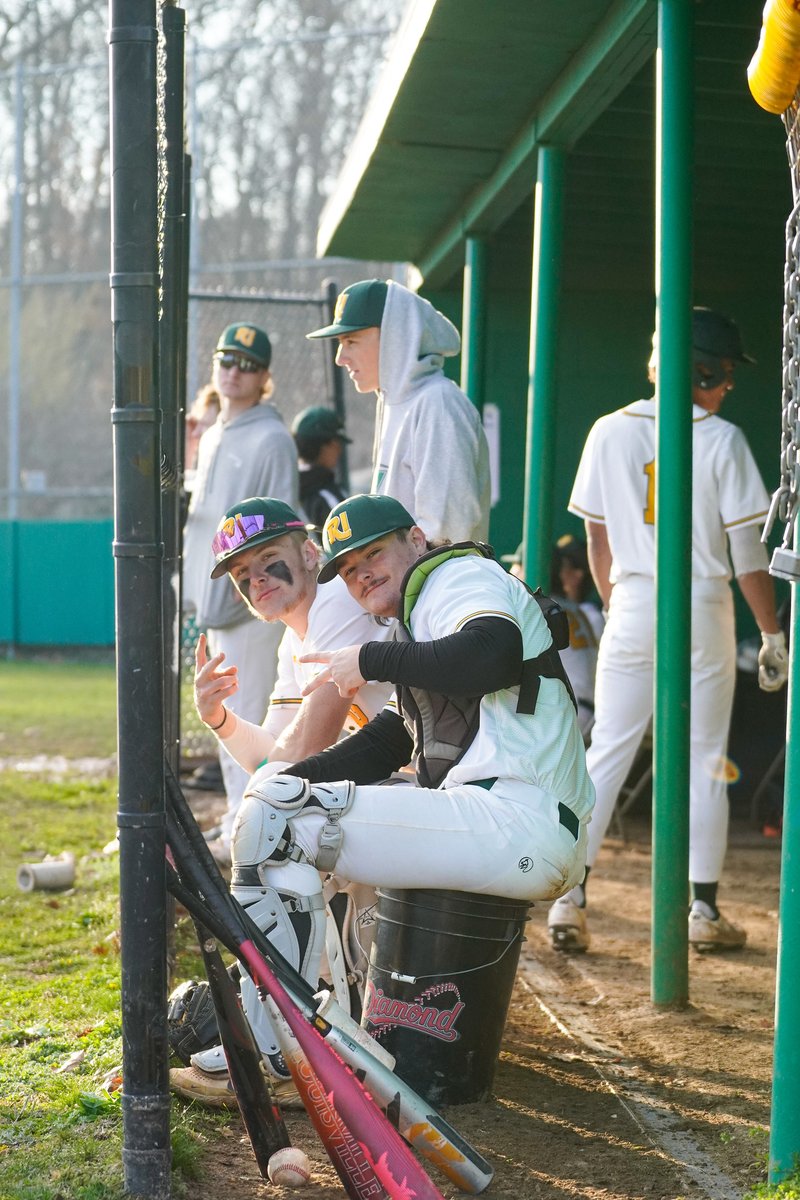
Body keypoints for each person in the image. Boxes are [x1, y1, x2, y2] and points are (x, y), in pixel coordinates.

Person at [218, 493, 593, 1102]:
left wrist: (367, 658)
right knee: (277, 807)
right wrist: (284, 783)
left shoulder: (454, 575)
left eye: (374, 553)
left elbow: (490, 652)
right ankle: (307, 1033)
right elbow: (385, 742)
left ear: (416, 541)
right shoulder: (420, 617)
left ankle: (287, 1046)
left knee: (279, 820)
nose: (361, 572)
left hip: (515, 818)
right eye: (347, 567)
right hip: (504, 821)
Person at [547, 306, 789, 956]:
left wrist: (622, 602)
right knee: (707, 755)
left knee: (607, 752)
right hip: (703, 604)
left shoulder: (607, 430)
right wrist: (771, 632)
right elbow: (748, 557)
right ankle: (702, 909)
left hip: (631, 599)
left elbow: (597, 543)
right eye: (725, 372)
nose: (728, 384)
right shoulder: (723, 438)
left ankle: (568, 899)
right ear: (701, 367)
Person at [170, 495, 396, 1108]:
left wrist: (259, 799)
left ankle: (274, 1051)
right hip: (381, 787)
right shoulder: (292, 641)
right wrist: (218, 719)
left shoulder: (336, 606)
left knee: (271, 845)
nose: (257, 581)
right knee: (276, 831)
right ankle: (304, 1038)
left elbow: (307, 741)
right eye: (243, 577)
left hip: (418, 782)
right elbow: (276, 750)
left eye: (269, 562)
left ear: (309, 552)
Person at [182, 323, 299, 863]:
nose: (233, 371)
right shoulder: (212, 433)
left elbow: (277, 529)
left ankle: (251, 826)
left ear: (264, 377)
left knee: (247, 718)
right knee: (225, 713)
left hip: (249, 606)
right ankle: (237, 821)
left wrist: (251, 596)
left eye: (247, 363)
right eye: (226, 359)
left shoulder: (272, 436)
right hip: (216, 602)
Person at [306, 278, 491, 543]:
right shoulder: (398, 402)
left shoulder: (437, 404)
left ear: (395, 336)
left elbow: (447, 537)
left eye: (351, 341)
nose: (340, 358)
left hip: (441, 584)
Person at [504, 534, 604, 739]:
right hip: (587, 709)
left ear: (529, 568)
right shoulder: (573, 608)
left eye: (516, 565)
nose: (511, 572)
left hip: (565, 711)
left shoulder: (537, 609)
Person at [290, 404, 350, 533]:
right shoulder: (329, 497)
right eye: (336, 443)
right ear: (326, 446)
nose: (339, 450)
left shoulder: (286, 489)